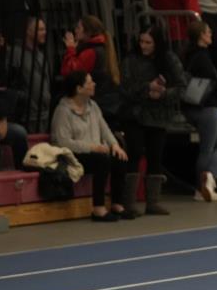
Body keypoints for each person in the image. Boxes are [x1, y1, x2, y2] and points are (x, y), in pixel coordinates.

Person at [120, 24, 186, 216]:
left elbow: (181, 86)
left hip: (158, 115)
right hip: (135, 114)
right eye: (141, 41)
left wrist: (164, 93)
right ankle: (129, 202)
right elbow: (125, 88)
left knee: (155, 156)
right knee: (133, 155)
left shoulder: (169, 59)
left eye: (148, 42)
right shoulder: (130, 60)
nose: (144, 45)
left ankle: (153, 202)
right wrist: (147, 89)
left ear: (157, 43)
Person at [51, 71, 130, 221]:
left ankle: (117, 204)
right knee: (102, 160)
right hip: (72, 154)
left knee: (119, 156)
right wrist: (91, 147)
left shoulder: (93, 106)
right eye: (89, 82)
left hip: (95, 152)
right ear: (79, 88)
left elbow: (104, 129)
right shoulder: (63, 111)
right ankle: (98, 208)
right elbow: (63, 142)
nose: (94, 84)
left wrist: (115, 145)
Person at [183, 21, 217, 202]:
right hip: (206, 106)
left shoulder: (189, 54)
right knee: (208, 148)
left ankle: (207, 180)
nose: (211, 34)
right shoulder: (202, 57)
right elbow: (212, 82)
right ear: (201, 35)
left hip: (193, 106)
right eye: (208, 32)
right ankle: (203, 184)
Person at [60, 15, 122, 124]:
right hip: (106, 102)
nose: (75, 30)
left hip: (97, 102)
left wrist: (70, 49)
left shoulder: (90, 52)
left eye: (78, 28)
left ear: (87, 32)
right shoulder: (101, 47)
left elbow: (71, 73)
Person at [6, 17, 52, 133]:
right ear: (28, 31)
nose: (44, 32)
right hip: (27, 115)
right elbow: (10, 81)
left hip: (44, 113)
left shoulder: (40, 55)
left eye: (44, 29)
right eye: (40, 29)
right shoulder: (16, 54)